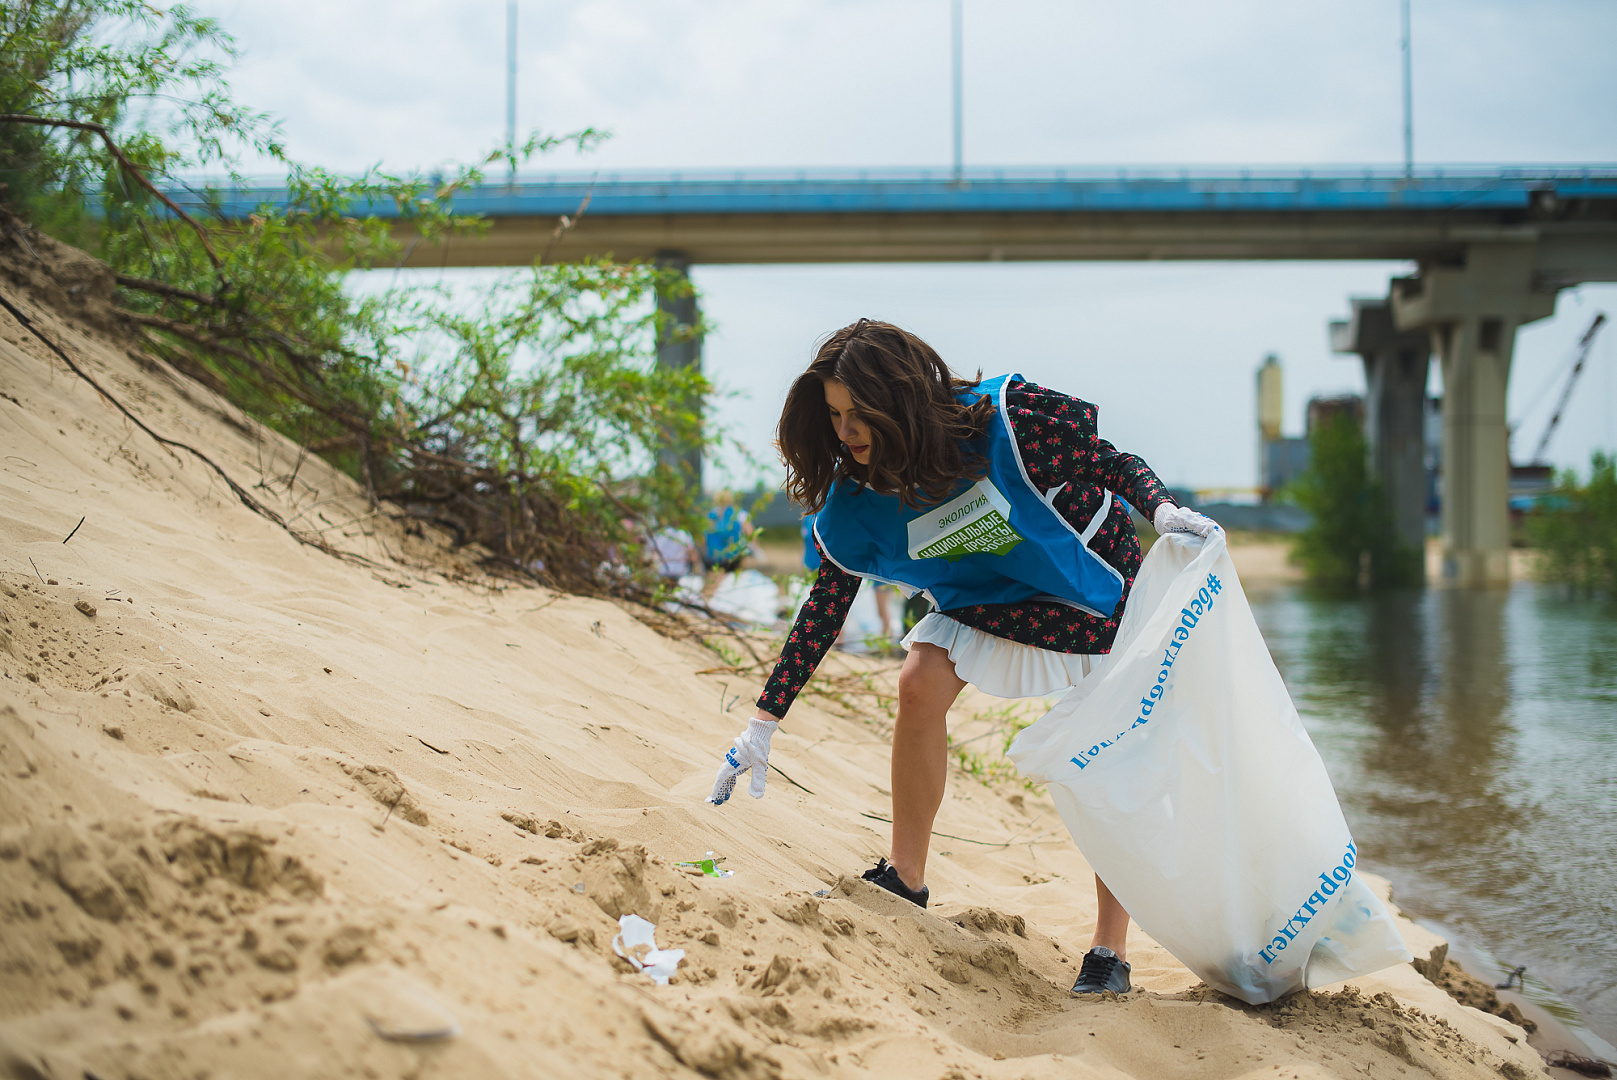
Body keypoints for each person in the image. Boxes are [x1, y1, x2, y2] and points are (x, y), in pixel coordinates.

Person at [705, 319, 1217, 997]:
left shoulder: (1002, 426)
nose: (846, 432)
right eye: (833, 416)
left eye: (860, 413)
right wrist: (762, 723)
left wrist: (1160, 508)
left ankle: (1109, 949)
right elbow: (825, 608)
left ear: (901, 403)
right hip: (991, 596)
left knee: (1104, 749)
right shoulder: (856, 504)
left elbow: (1108, 461)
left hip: (1089, 583)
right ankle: (905, 877)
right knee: (918, 679)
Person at [701, 489, 755, 597]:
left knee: (714, 583)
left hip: (713, 556)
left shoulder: (711, 515)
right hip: (733, 557)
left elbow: (704, 536)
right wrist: (753, 549)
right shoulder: (739, 514)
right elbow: (750, 532)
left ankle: (710, 601)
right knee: (735, 583)